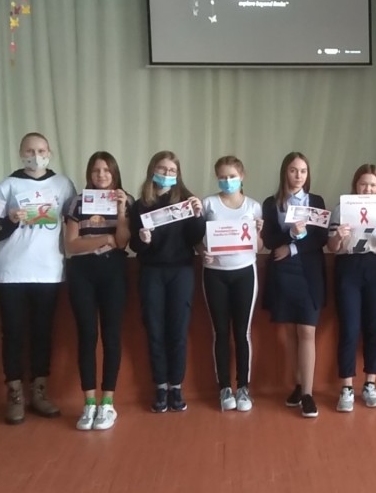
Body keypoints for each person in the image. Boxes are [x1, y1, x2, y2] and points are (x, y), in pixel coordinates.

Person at [0, 133, 76, 424]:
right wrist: (10, 219)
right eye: (29, 150)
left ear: (49, 152)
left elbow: (77, 220)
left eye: (40, 150)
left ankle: (39, 390)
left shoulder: (63, 184)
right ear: (20, 153)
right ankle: (14, 393)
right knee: (12, 333)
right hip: (10, 271)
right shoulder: (7, 185)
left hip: (48, 270)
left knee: (42, 332)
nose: (35, 156)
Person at [129, 151, 204, 414]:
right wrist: (143, 240)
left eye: (172, 170)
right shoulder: (140, 204)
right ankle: (160, 386)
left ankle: (176, 387)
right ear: (153, 170)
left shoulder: (186, 200)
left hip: (181, 272)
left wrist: (198, 216)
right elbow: (134, 245)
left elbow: (195, 238)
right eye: (162, 169)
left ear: (178, 174)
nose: (167, 174)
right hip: (151, 273)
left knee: (178, 331)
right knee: (155, 330)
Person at [63, 151, 132, 431]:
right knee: (87, 335)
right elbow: (71, 244)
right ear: (89, 174)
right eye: (96, 170)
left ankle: (107, 403)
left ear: (114, 173)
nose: (101, 175)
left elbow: (123, 242)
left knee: (112, 335)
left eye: (106, 170)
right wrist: (105, 237)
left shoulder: (126, 200)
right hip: (82, 273)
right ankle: (89, 403)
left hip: (113, 271)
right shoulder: (77, 202)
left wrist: (121, 211)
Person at [261, 152, 329, 418]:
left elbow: (321, 237)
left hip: (308, 270)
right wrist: (289, 234)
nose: (298, 175)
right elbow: (268, 239)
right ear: (285, 172)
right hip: (282, 272)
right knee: (290, 331)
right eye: (293, 170)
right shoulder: (271, 203)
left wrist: (292, 247)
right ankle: (298, 386)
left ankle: (309, 395)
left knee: (307, 331)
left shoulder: (316, 201)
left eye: (303, 171)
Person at [200, 156, 263, 412]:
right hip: (214, 274)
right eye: (223, 177)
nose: (227, 181)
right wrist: (202, 252)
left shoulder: (254, 206)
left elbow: (258, 246)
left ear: (242, 176)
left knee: (242, 332)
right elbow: (197, 239)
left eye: (232, 176)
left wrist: (259, 231)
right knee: (220, 332)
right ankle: (225, 387)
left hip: (245, 272)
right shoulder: (208, 204)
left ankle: (243, 387)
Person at [328, 164, 376, 412]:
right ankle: (346, 387)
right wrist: (338, 235)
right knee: (349, 327)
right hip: (348, 268)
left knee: (373, 327)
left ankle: (370, 384)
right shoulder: (340, 209)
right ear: (355, 184)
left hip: (375, 268)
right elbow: (332, 247)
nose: (367, 188)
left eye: (372, 185)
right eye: (363, 184)